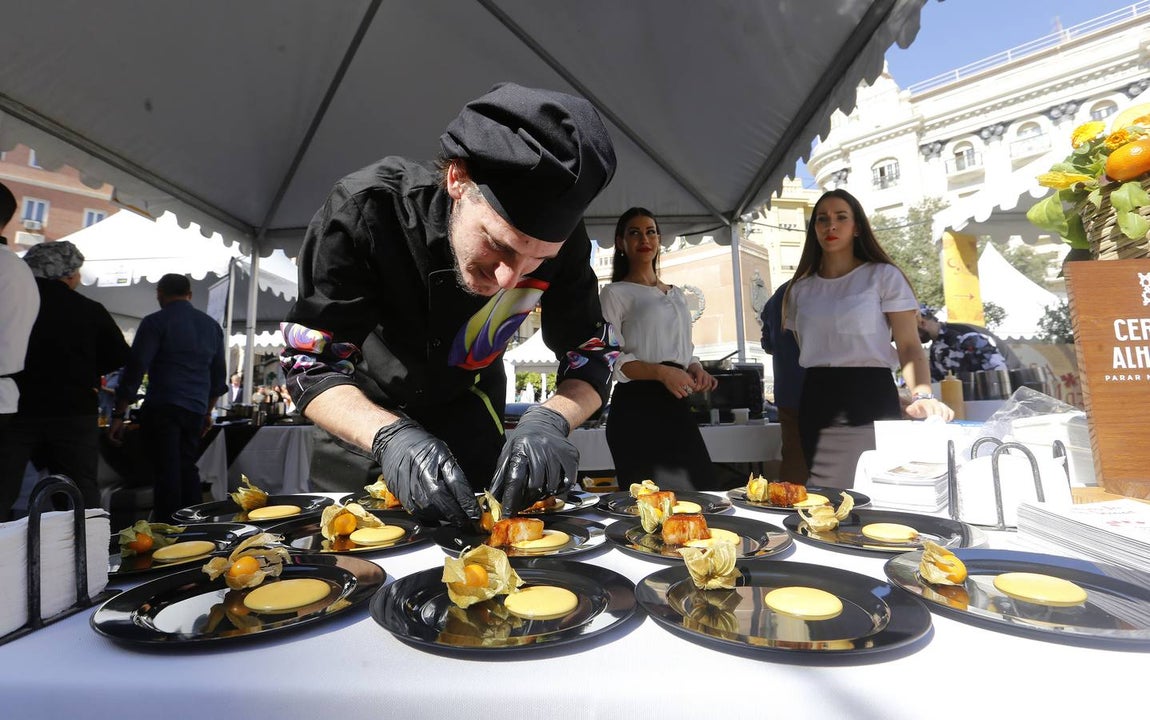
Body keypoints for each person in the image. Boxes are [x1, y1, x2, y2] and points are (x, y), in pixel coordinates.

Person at [280, 82, 618, 524]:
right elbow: (310, 365)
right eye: (498, 245)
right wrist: (389, 437)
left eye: (537, 261)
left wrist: (553, 418)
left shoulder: (564, 243)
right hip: (365, 430)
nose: (509, 279)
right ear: (458, 178)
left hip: (473, 425)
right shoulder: (367, 211)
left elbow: (590, 357)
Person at [784, 189, 952, 487]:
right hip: (816, 399)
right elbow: (808, 347)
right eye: (822, 219)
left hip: (869, 396)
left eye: (841, 217)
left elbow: (910, 346)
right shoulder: (800, 290)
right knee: (825, 494)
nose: (830, 225)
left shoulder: (883, 276)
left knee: (872, 489)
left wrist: (922, 394)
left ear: (857, 226)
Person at [0, 241, 129, 519]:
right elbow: (118, 355)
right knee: (79, 489)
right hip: (73, 410)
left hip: (18, 409)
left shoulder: (14, 301)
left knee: (5, 486)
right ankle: (86, 553)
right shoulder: (89, 308)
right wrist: (86, 371)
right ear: (68, 274)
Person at [599, 208, 718, 491]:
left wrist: (695, 368)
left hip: (676, 403)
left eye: (651, 231)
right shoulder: (614, 293)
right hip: (637, 405)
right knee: (649, 504)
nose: (645, 238)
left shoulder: (676, 293)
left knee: (700, 492)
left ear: (659, 239)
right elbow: (609, 358)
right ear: (620, 243)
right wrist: (661, 372)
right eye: (635, 232)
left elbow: (684, 348)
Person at [109, 273, 227, 522]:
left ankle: (167, 531)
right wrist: (207, 412)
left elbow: (136, 368)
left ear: (159, 294)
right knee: (187, 467)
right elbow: (218, 379)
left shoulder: (155, 322)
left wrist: (119, 414)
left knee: (166, 471)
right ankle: (195, 527)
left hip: (163, 405)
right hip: (195, 408)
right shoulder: (211, 326)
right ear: (190, 295)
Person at [760, 280, 808, 483]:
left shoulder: (777, 296)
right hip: (818, 385)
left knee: (793, 455)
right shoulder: (816, 287)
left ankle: (790, 503)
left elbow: (767, 344)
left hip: (787, 389)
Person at [918, 305, 1022, 382]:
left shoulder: (966, 336)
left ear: (922, 323)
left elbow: (997, 374)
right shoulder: (936, 346)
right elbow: (936, 380)